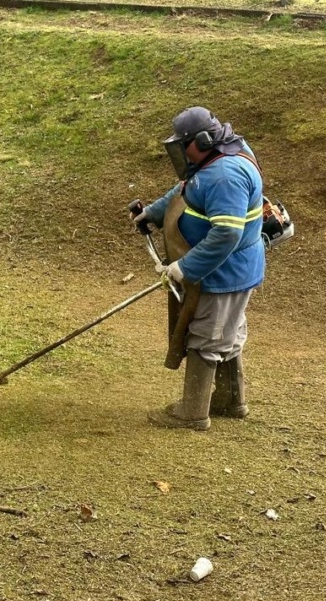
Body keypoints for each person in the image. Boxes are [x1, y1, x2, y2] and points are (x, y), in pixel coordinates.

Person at [131, 106, 265, 431]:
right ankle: (232, 401)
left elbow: (227, 233)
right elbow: (187, 192)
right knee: (226, 332)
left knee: (207, 336)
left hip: (222, 272)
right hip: (222, 270)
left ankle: (192, 413)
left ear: (202, 140)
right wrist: (153, 212)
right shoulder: (215, 159)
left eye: (183, 143)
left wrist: (185, 267)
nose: (179, 150)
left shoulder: (225, 175)